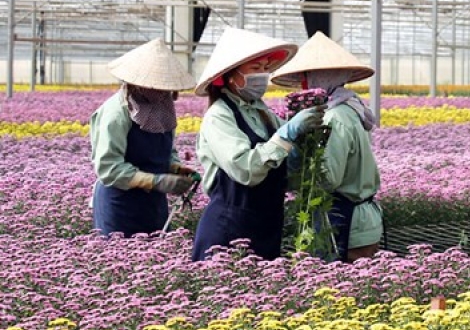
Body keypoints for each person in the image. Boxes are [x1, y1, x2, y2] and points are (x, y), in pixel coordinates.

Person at [191, 28, 324, 261]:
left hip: (266, 224)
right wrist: (288, 133)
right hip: (229, 228)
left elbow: (285, 159)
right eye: (254, 69)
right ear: (230, 76)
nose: (262, 76)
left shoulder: (262, 111)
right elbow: (246, 169)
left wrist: (305, 139)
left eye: (265, 69)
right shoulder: (219, 116)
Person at [270, 31, 383, 263]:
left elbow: (329, 178)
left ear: (322, 78)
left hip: (348, 222)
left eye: (308, 77)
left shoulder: (335, 117)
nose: (304, 84)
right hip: (358, 219)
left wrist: (293, 163)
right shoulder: (351, 106)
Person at [90, 38, 197, 237]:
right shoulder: (117, 113)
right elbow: (108, 167)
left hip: (152, 202)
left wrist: (174, 168)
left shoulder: (161, 106)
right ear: (139, 83)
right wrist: (155, 181)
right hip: (121, 202)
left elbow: (166, 147)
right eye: (158, 86)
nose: (165, 92)